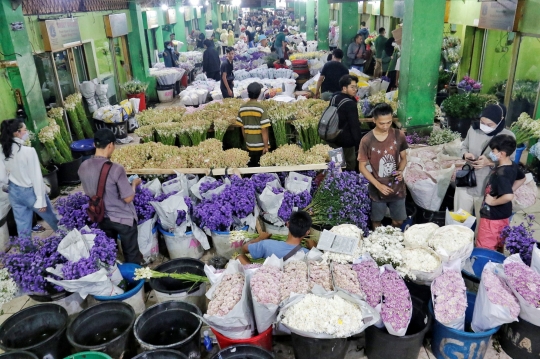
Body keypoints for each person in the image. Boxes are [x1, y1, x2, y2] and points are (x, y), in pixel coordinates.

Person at [78, 128, 143, 264]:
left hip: (101, 217)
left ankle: (117, 278)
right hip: (123, 219)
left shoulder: (83, 167)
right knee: (131, 254)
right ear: (110, 145)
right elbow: (128, 198)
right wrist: (134, 184)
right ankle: (137, 279)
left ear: (95, 145)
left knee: (110, 253)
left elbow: (90, 192)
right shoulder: (116, 169)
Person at [455, 103, 516, 229]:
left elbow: (510, 162)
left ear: (500, 122)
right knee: (459, 220)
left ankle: (478, 247)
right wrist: (466, 154)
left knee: (482, 225)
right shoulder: (473, 129)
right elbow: (464, 146)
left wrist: (489, 162)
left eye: (490, 125)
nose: (484, 127)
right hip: (467, 182)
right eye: (482, 122)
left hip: (487, 188)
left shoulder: (507, 136)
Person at [0, 119, 58, 236]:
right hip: (30, 192)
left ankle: (27, 252)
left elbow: (3, 177)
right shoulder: (28, 151)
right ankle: (73, 243)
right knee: (55, 221)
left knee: (23, 229)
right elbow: (36, 177)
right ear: (17, 132)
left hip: (14, 193)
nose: (27, 132)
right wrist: (40, 200)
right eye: (25, 130)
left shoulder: (2, 150)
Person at [359, 103, 408, 229]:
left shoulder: (399, 135)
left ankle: (392, 237)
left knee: (398, 222)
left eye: (389, 122)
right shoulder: (367, 140)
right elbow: (362, 167)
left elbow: (404, 158)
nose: (386, 126)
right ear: (374, 120)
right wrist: (378, 185)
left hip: (397, 187)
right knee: (377, 222)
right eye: (382, 123)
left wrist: (401, 170)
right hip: (377, 189)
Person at [477, 134, 525, 251]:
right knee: (498, 243)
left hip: (492, 217)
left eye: (493, 151)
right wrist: (509, 189)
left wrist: (493, 202)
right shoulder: (512, 165)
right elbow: (522, 178)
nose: (491, 153)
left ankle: (484, 265)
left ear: (502, 154)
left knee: (485, 246)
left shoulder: (501, 173)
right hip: (504, 215)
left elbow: (508, 196)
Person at [237, 211, 314, 264]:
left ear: (287, 224)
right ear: (307, 232)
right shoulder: (307, 254)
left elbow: (244, 248)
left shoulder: (267, 244)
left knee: (240, 257)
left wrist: (260, 238)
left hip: (268, 281)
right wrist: (314, 248)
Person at [325, 75, 362, 172]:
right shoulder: (350, 104)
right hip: (346, 141)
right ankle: (349, 182)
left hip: (332, 137)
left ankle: (337, 182)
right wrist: (359, 143)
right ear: (344, 88)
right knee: (350, 164)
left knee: (336, 166)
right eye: (352, 87)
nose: (355, 89)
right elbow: (354, 126)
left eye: (356, 87)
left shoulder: (334, 97)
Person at [235, 82, 270, 167]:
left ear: (248, 93)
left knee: (252, 165)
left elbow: (242, 127)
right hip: (261, 145)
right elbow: (264, 129)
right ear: (259, 94)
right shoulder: (261, 108)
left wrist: (246, 141)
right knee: (260, 167)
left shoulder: (242, 108)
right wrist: (266, 146)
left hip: (249, 144)